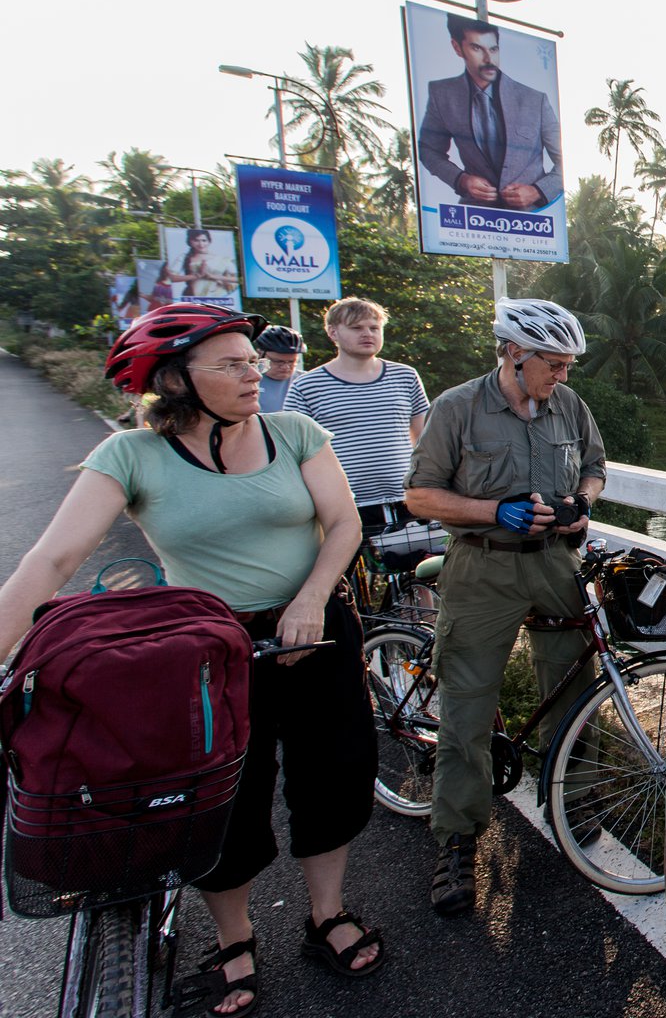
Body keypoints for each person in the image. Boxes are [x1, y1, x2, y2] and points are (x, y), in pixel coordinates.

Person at [0, 303, 386, 1016]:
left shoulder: (294, 431)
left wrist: (310, 598)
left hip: (315, 631)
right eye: (233, 364)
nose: (256, 372)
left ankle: (325, 913)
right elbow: (50, 557)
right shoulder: (130, 456)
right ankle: (235, 937)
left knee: (333, 775)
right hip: (211, 650)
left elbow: (343, 522)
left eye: (252, 361)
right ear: (175, 380)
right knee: (221, 797)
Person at [403, 298, 605, 916]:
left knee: (576, 681)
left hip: (553, 560)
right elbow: (420, 495)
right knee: (468, 699)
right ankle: (458, 835)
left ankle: (572, 798)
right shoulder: (458, 407)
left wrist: (581, 501)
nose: (563, 377)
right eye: (554, 363)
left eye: (569, 364)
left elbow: (595, 467)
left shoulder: (567, 405)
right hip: (481, 563)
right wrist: (496, 510)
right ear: (514, 354)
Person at [283, 298, 429, 533]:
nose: (367, 334)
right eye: (356, 328)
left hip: (406, 500)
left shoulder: (405, 376)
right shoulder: (306, 385)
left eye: (374, 328)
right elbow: (292, 449)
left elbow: (424, 436)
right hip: (342, 506)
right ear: (333, 332)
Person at [416, 14, 564, 211]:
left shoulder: (535, 100)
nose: (488, 59)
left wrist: (537, 191)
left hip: (535, 223)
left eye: (493, 49)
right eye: (477, 48)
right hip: (475, 221)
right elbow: (428, 150)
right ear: (457, 47)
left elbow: (566, 162)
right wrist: (462, 180)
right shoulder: (442, 95)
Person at [169, 228, 239, 299]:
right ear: (190, 242)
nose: (201, 244)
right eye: (196, 240)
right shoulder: (183, 257)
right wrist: (197, 275)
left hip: (219, 298)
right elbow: (171, 278)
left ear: (209, 241)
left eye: (204, 240)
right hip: (193, 298)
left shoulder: (222, 259)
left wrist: (213, 276)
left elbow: (237, 279)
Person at [253, 325, 302, 413]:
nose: (285, 367)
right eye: (278, 361)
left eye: (292, 362)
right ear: (260, 354)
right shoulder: (247, 380)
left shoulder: (305, 381)